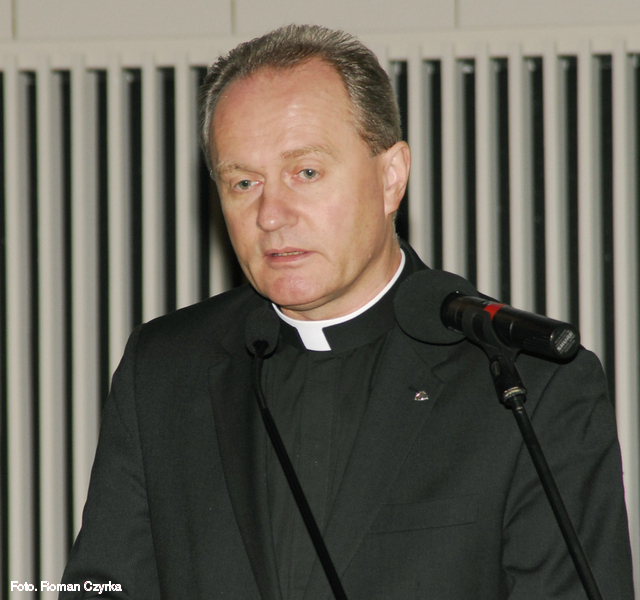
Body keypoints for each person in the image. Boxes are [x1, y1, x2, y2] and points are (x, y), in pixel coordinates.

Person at [60, 24, 634, 599]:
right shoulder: (164, 370)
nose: (270, 214)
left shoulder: (525, 387)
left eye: (306, 172)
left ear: (391, 178)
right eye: (243, 182)